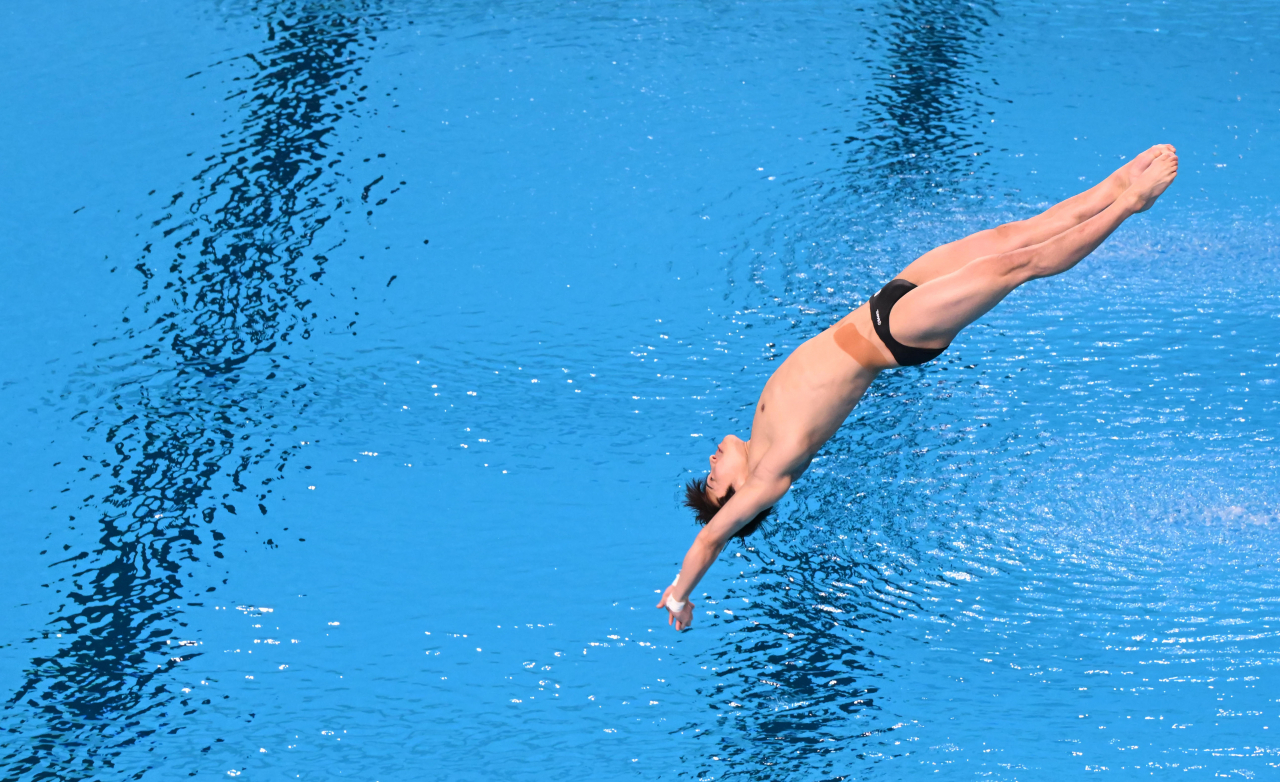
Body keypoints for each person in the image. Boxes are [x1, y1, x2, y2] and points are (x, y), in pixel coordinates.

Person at [657, 145, 1179, 630]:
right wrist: (681, 591)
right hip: (898, 333)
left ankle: (1111, 186)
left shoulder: (761, 433)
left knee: (1012, 236)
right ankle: (1131, 204)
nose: (710, 463)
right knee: (1017, 266)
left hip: (889, 300)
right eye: (712, 478)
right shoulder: (769, 477)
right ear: (732, 498)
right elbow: (709, 539)